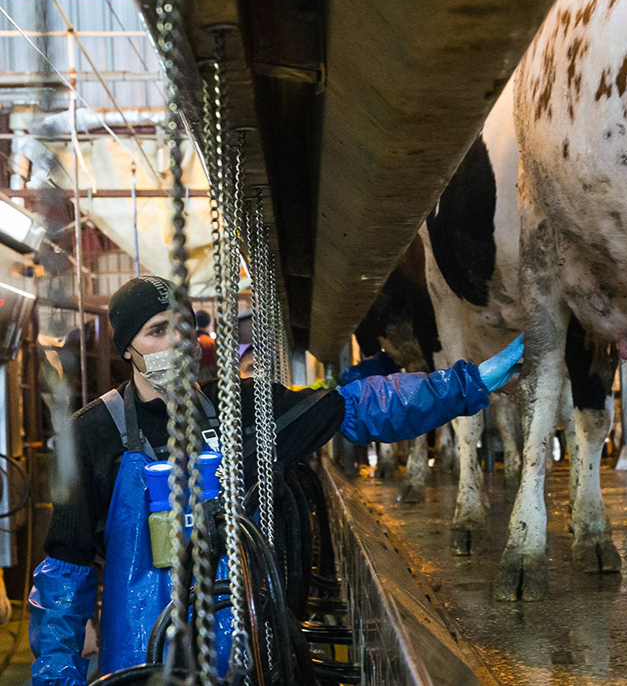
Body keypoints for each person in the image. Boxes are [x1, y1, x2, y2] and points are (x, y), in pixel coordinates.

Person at [27, 275, 523, 685]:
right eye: (157, 331)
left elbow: (355, 405)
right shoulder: (91, 434)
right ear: (127, 347)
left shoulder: (240, 407)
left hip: (243, 648)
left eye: (182, 328)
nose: (174, 343)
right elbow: (65, 572)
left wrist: (468, 383)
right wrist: (56, 675)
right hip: (138, 657)